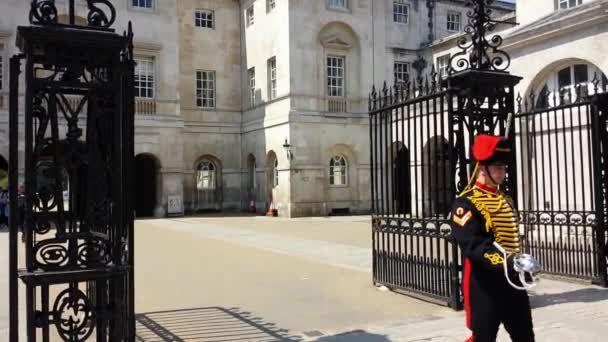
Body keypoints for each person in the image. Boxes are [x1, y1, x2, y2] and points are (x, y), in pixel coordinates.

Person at [450, 134, 535, 342]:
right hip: (485, 285)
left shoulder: (504, 200)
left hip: (513, 283)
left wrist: (520, 265)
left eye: (504, 167)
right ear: (482, 168)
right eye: (497, 167)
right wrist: (506, 261)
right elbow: (473, 245)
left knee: (525, 337)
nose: (503, 172)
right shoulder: (465, 203)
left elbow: (511, 239)